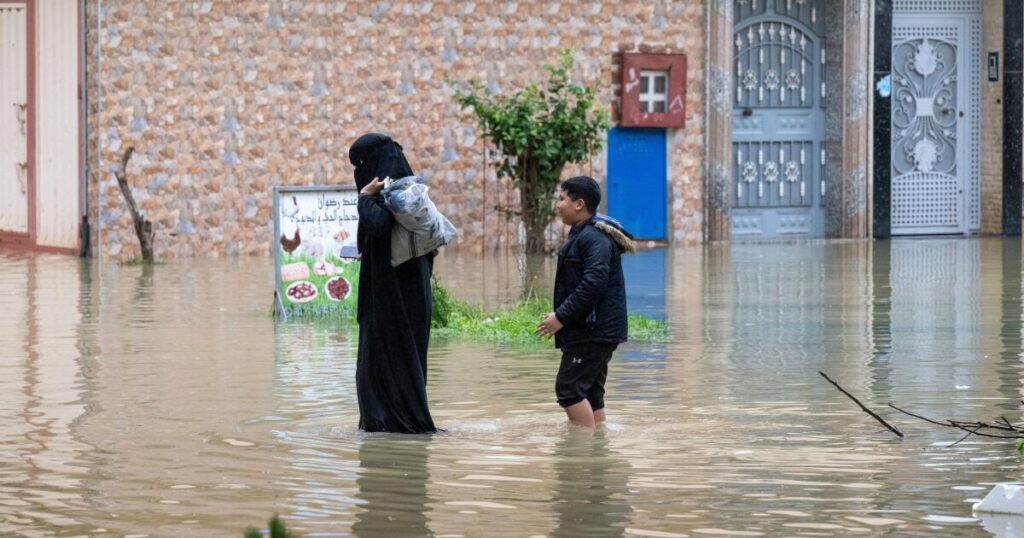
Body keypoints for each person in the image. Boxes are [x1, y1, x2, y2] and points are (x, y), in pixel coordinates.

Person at [348, 133, 436, 433]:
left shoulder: (397, 194)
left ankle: (389, 424)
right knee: (402, 361)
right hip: (409, 296)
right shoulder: (412, 193)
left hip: (391, 300)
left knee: (381, 363)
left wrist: (363, 197)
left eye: (360, 164)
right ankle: (396, 423)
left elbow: (379, 226)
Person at [537, 176, 634, 428]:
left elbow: (593, 285)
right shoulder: (584, 234)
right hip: (594, 329)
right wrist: (562, 313)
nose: (558, 205)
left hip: (593, 332)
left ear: (579, 204)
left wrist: (560, 317)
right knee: (590, 392)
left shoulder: (594, 238)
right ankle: (597, 453)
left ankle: (581, 457)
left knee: (568, 390)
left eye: (562, 199)